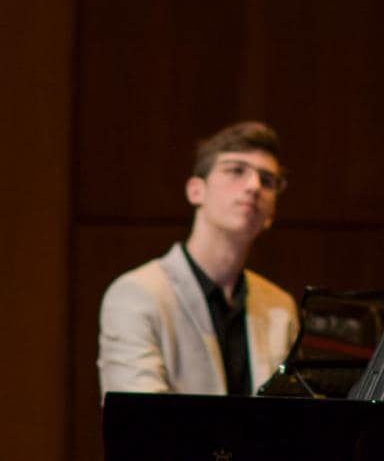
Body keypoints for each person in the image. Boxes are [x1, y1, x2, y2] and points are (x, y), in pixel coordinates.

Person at [98, 121, 299, 399]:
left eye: (267, 180)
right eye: (236, 171)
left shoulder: (280, 307)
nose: (254, 186)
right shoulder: (137, 295)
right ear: (196, 190)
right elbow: (142, 425)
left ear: (271, 213)